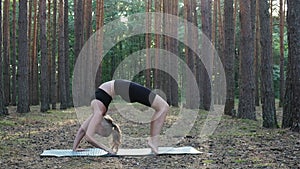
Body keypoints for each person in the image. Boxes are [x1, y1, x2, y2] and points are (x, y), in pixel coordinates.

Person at [72, 79, 169, 154]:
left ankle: (153, 141)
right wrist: (74, 148)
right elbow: (82, 131)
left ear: (102, 125)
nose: (95, 131)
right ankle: (153, 141)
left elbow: (87, 136)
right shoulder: (98, 110)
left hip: (126, 88)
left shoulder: (98, 112)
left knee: (163, 107)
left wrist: (107, 150)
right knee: (162, 107)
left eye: (98, 132)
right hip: (124, 88)